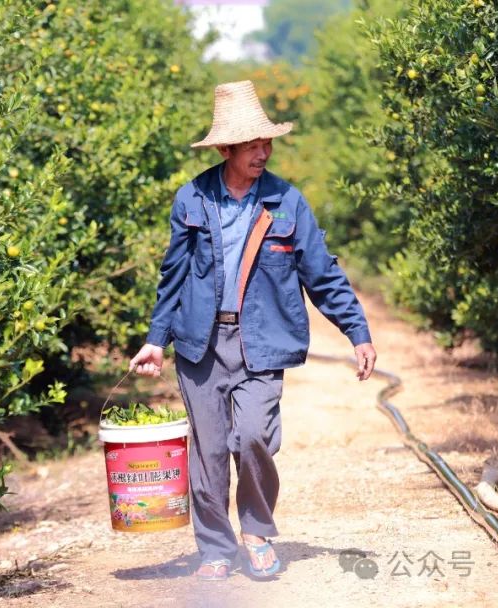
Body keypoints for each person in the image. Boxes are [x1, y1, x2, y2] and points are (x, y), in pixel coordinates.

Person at [129, 80, 377, 581]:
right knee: (209, 451)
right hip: (200, 343)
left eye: (267, 144)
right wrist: (156, 340)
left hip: (261, 343)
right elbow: (173, 275)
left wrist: (357, 331)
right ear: (225, 149)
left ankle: (258, 532)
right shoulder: (192, 198)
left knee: (254, 437)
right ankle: (216, 550)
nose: (263, 153)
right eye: (252, 146)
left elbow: (321, 273)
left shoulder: (286, 201)